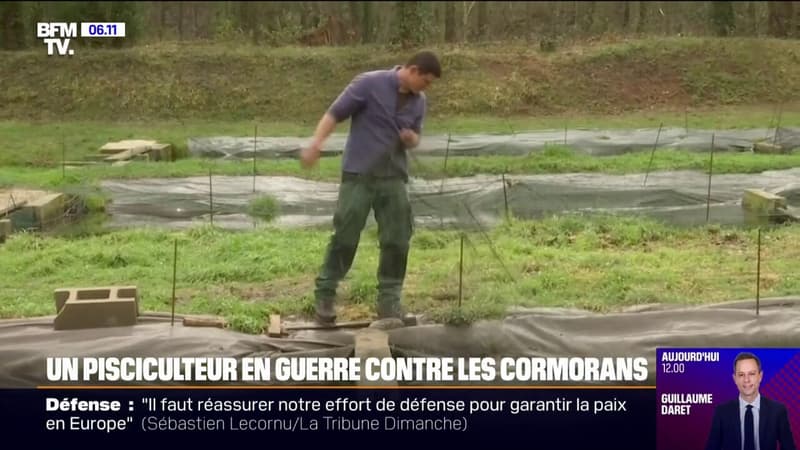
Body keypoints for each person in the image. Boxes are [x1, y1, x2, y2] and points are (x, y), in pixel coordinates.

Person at [299, 51, 441, 325]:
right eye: (426, 81)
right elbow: (334, 114)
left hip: (393, 178)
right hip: (359, 175)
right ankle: (325, 296)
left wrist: (411, 139)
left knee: (398, 239)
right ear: (412, 70)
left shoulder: (419, 102)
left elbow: (416, 137)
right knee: (345, 236)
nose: (427, 87)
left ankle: (390, 302)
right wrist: (316, 143)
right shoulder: (368, 83)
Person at [705, 352, 796, 450]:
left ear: (760, 376)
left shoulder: (777, 411)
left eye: (751, 374)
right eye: (741, 375)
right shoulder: (721, 412)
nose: (746, 380)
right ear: (735, 379)